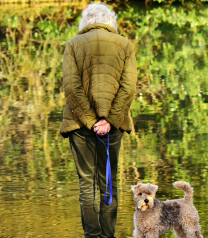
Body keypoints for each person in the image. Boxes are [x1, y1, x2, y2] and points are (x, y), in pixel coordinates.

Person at [60, 3, 137, 238]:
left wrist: (91, 120)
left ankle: (92, 236)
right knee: (109, 181)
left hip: (79, 124)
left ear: (86, 21)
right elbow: (129, 88)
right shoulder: (125, 44)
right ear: (109, 20)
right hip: (113, 127)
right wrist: (109, 121)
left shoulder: (73, 44)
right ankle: (109, 236)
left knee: (87, 184)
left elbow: (71, 87)